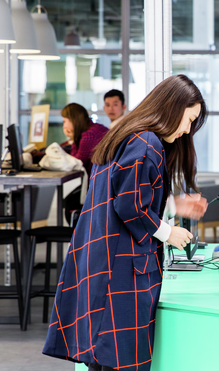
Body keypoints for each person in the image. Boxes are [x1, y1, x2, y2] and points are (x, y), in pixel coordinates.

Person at [43, 75, 208, 371]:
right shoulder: (147, 144)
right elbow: (130, 206)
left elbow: (127, 194)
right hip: (120, 269)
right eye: (188, 120)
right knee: (118, 360)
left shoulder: (131, 137)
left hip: (103, 261)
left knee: (102, 357)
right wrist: (168, 232)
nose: (186, 131)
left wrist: (174, 205)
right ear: (172, 108)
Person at [61, 102, 109, 174]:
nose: (64, 126)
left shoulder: (89, 136)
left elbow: (76, 163)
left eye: (64, 121)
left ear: (72, 120)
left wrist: (73, 138)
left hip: (98, 178)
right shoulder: (95, 128)